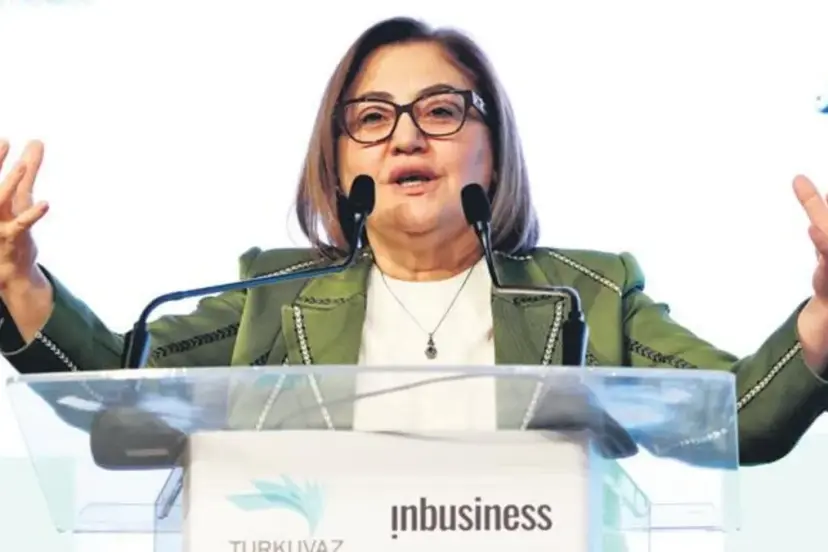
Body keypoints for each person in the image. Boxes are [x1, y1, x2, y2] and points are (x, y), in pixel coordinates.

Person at [1, 16, 828, 467]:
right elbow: (117, 385)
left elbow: (740, 417)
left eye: (439, 111)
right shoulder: (274, 298)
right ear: (338, 161)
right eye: (371, 117)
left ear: (492, 148)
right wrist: (17, 281)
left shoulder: (587, 295)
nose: (405, 137)